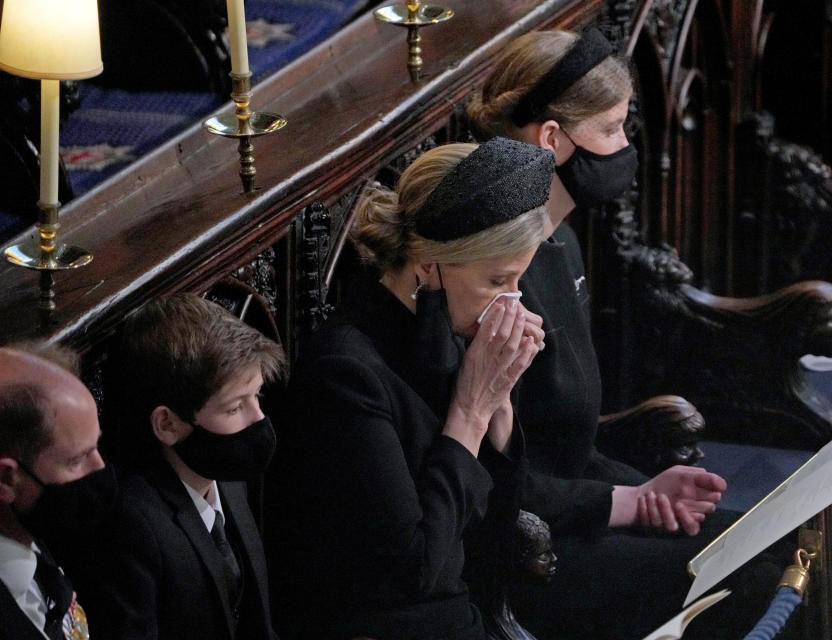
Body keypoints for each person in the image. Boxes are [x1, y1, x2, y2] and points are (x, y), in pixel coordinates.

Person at [466, 28, 775, 639]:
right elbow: (494, 477)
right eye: (611, 129)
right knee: (755, 580)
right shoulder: (492, 274)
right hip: (529, 549)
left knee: (776, 538)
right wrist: (626, 502)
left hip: (579, 504)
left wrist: (646, 489)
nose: (625, 146)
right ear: (552, 139)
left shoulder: (561, 242)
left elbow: (569, 444)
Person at [265, 137, 552, 640]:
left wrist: (500, 408)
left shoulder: (454, 331)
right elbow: (417, 570)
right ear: (426, 264)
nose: (511, 306)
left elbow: (495, 533)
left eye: (518, 283)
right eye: (497, 282)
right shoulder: (345, 375)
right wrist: (469, 414)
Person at [73, 293, 285, 640]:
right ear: (168, 425)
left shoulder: (228, 478)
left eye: (257, 397)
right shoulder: (131, 526)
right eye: (234, 408)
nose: (259, 420)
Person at [0, 345, 111, 640]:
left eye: (96, 447)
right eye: (76, 460)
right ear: (7, 479)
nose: (99, 468)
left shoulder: (31, 530)